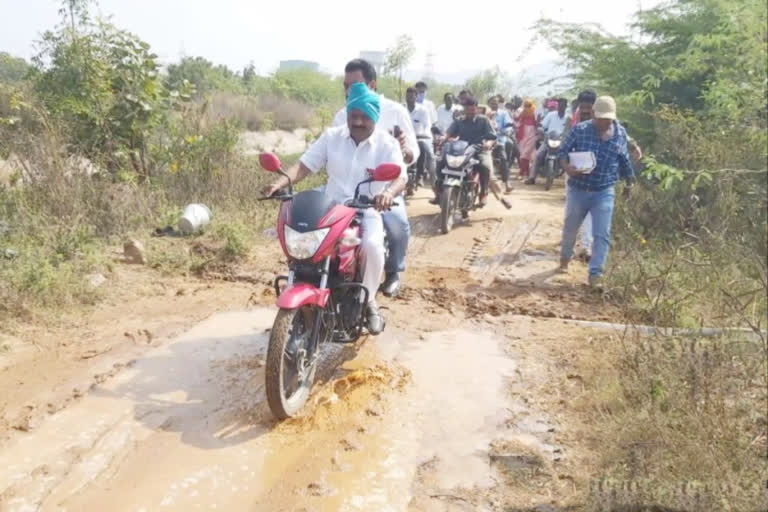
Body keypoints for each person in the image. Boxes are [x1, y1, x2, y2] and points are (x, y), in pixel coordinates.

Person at [262, 83, 404, 334]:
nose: (358, 121)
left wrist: (387, 193)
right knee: (303, 246)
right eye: (353, 116)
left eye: (364, 117)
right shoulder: (332, 137)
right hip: (330, 209)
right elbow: (304, 166)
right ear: (347, 115)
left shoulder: (386, 143)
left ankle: (368, 300)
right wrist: (279, 183)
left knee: (372, 247)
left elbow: (401, 177)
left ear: (374, 117)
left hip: (365, 210)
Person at [331, 59, 417, 298]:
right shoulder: (341, 116)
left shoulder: (396, 112)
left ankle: (393, 272)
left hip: (385, 187)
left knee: (397, 225)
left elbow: (412, 153)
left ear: (372, 84)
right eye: (346, 85)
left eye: (356, 84)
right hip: (346, 188)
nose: (349, 91)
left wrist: (405, 150)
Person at [557, 96, 634, 288]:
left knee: (602, 234)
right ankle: (565, 259)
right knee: (570, 229)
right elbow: (562, 152)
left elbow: (624, 159)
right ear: (593, 114)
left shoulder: (620, 133)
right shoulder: (580, 130)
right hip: (579, 189)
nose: (604, 122)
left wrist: (629, 183)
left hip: (604, 191)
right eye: (601, 118)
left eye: (608, 119)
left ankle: (595, 274)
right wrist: (567, 168)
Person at [434, 96, 500, 207]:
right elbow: (449, 132)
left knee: (485, 166)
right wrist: (442, 138)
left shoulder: (483, 120)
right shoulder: (459, 120)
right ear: (464, 109)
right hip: (461, 149)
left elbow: (492, 136)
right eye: (468, 109)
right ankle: (439, 192)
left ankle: (483, 193)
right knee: (440, 162)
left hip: (479, 149)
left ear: (476, 109)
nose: (470, 112)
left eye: (472, 109)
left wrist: (488, 143)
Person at [529, 97, 571, 185]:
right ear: (557, 106)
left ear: (566, 107)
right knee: (538, 155)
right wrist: (540, 129)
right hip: (548, 139)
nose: (561, 107)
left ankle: (569, 183)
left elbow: (570, 130)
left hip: (561, 142)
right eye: (560, 105)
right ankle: (532, 177)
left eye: (563, 106)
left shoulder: (568, 117)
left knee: (569, 158)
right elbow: (543, 125)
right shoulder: (551, 115)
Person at [405, 87, 435, 189]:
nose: (409, 99)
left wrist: (424, 134)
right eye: (407, 96)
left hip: (420, 138)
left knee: (423, 149)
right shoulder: (402, 109)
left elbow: (427, 125)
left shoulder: (423, 110)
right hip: (405, 138)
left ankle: (420, 176)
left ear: (416, 97)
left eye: (411, 96)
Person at [488, 96, 515, 193]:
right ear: (489, 104)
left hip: (499, 139)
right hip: (486, 141)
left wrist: (507, 131)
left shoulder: (504, 113)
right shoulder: (486, 113)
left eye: (496, 103)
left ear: (499, 103)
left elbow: (509, 125)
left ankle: (507, 183)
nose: (494, 104)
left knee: (504, 158)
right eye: (492, 103)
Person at [516, 99, 538, 180]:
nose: (527, 108)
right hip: (523, 133)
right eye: (525, 106)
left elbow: (537, 123)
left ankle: (522, 172)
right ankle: (527, 172)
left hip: (532, 133)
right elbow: (517, 119)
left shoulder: (535, 113)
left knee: (526, 153)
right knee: (523, 153)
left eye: (528, 106)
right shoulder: (522, 112)